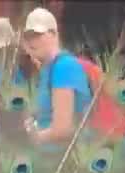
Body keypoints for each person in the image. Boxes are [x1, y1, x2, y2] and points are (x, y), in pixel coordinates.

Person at [20, 8, 91, 147]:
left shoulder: (64, 67)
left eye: (38, 35)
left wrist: (29, 139)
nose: (32, 41)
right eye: (28, 37)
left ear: (54, 34)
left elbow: (62, 129)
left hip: (63, 159)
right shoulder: (47, 69)